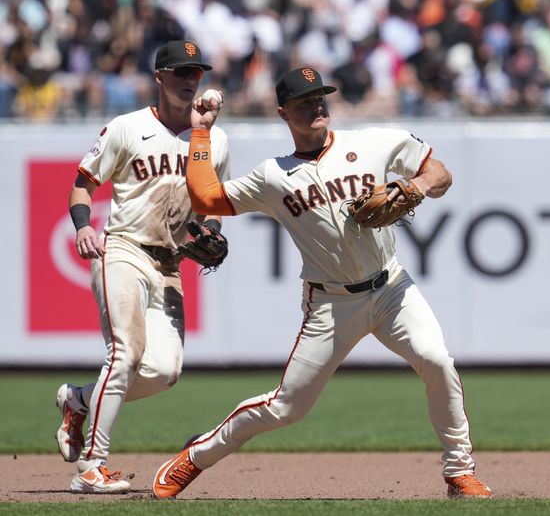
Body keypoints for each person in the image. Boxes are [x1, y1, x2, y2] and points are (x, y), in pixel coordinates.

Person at [152, 67, 493, 499]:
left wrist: (417, 185)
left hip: (392, 289)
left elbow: (440, 172)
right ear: (283, 112)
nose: (316, 105)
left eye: (320, 97)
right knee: (286, 407)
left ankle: (459, 473)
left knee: (437, 361)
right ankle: (196, 456)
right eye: (304, 101)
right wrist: (200, 134)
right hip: (331, 304)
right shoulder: (273, 176)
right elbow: (206, 198)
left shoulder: (374, 142)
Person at [55, 40, 230, 494]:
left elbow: (211, 202)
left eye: (197, 72)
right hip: (125, 250)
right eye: (180, 72)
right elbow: (82, 186)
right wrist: (80, 228)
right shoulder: (127, 128)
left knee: (164, 372)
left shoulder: (214, 138)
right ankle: (92, 467)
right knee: (126, 353)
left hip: (171, 265)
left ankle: (78, 401)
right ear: (159, 77)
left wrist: (210, 231)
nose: (190, 80)